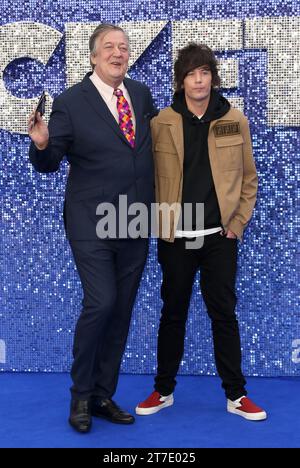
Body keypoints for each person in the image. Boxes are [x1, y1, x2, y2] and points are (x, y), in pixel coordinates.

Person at [28, 23, 156, 433]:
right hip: (90, 220)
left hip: (136, 218)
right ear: (93, 56)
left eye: (123, 47)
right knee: (101, 302)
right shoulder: (70, 102)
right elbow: (48, 165)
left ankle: (103, 394)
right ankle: (81, 396)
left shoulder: (140, 94)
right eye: (109, 48)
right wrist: (43, 143)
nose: (118, 53)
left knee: (121, 311)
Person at [136, 43, 267, 421]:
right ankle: (163, 390)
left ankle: (237, 395)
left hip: (218, 238)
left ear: (213, 77)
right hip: (177, 237)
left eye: (205, 72)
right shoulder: (161, 121)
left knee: (223, 314)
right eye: (192, 73)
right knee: (172, 313)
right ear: (181, 80)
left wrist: (237, 225)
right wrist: (159, 225)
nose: (199, 79)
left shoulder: (233, 119)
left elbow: (248, 178)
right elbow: (147, 179)